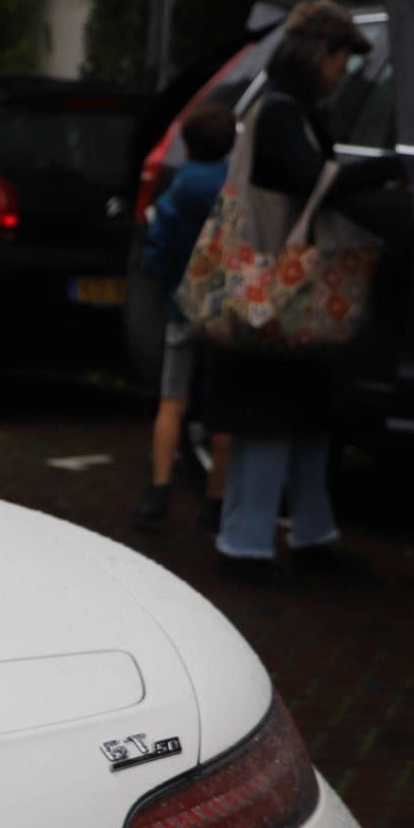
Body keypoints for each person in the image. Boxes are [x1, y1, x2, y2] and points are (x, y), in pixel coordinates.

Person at [200, 0, 399, 582]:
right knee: (271, 418)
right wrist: (388, 168)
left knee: (305, 419)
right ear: (320, 55)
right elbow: (315, 183)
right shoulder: (284, 114)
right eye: (341, 59)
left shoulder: (279, 109)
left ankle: (308, 537)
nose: (343, 73)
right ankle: (246, 548)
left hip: (272, 287)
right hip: (277, 292)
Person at [132, 99, 235, 529]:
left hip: (181, 308)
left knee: (172, 402)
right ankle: (215, 497)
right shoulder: (235, 192)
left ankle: (159, 491)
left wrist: (164, 277)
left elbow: (155, 256)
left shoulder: (175, 194)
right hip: (226, 313)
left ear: (187, 148)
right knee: (223, 410)